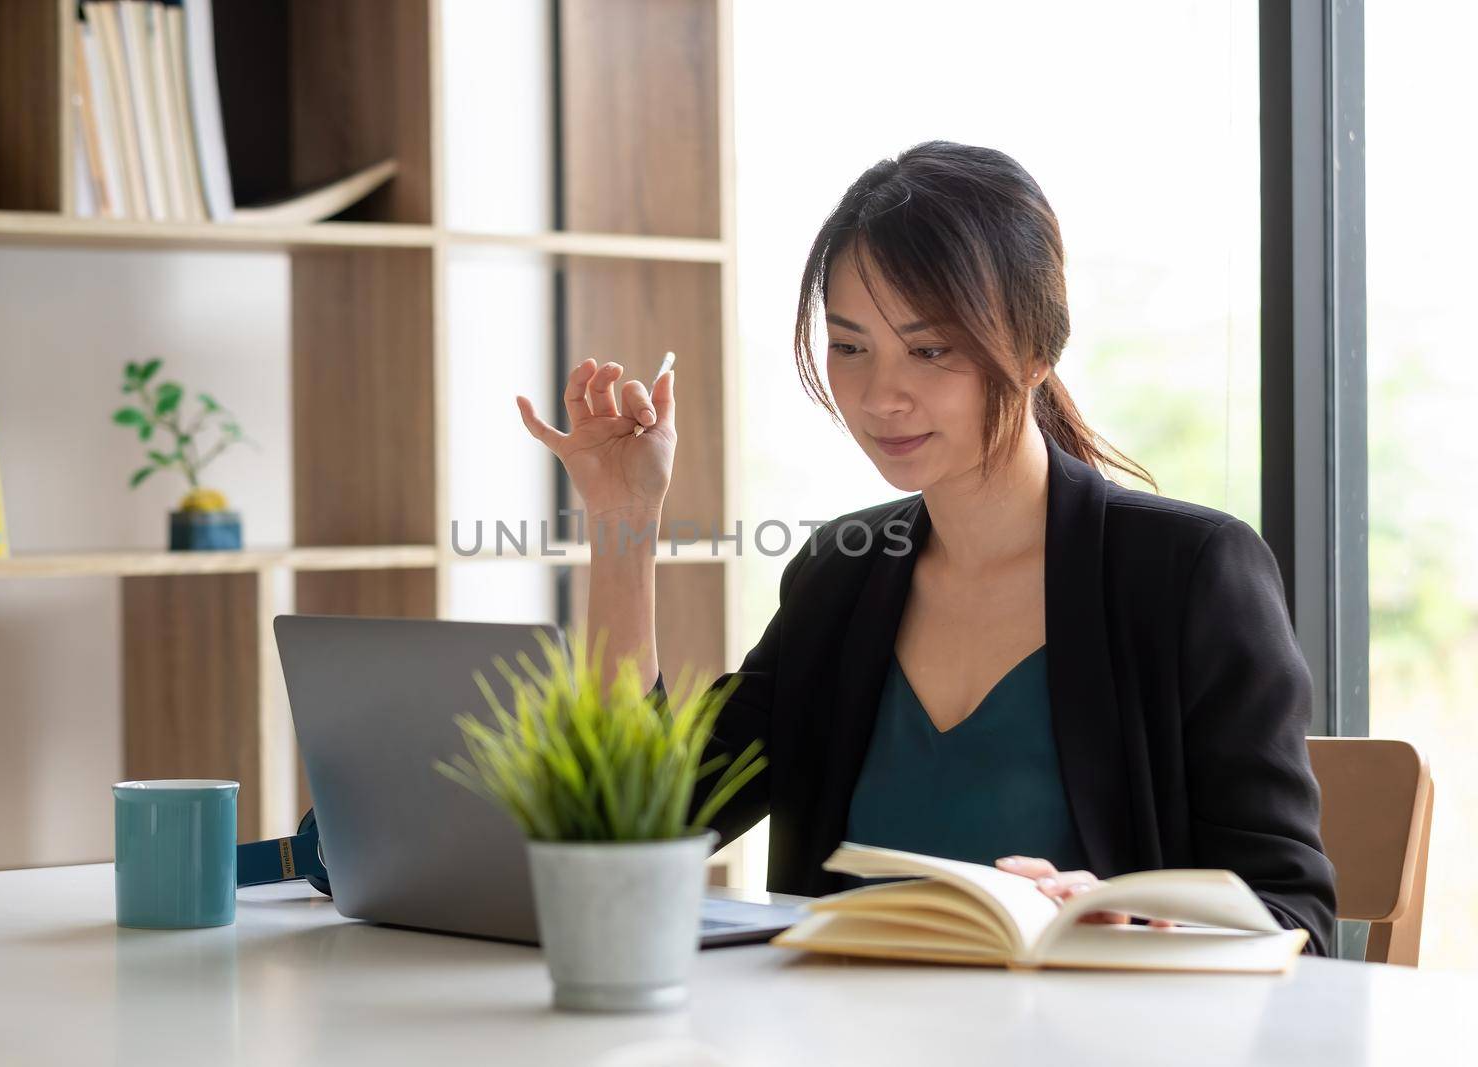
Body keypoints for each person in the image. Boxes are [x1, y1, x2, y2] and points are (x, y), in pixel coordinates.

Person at [515, 140, 1336, 952]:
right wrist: (623, 522)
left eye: (930, 349)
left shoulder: (1187, 575)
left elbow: (1298, 916)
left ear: (1034, 349)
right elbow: (641, 824)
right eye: (850, 346)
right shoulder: (841, 576)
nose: (880, 394)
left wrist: (1131, 918)